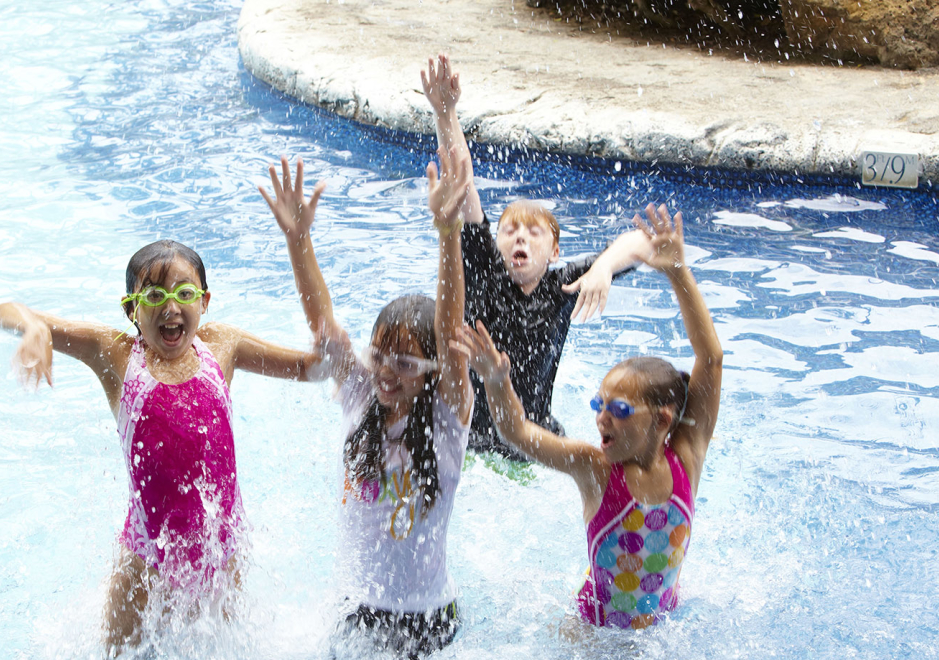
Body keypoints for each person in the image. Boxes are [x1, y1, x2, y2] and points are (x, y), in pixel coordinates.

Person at [0, 240, 324, 651]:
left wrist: (298, 239)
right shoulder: (115, 354)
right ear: (131, 309)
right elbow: (2, 311)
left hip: (222, 562)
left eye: (184, 294)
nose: (170, 308)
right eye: (153, 296)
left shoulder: (223, 345)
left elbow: (313, 368)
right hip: (145, 573)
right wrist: (35, 326)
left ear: (204, 301)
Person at [452, 204, 723, 630]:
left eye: (618, 410)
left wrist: (677, 273)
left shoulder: (687, 458)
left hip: (660, 627)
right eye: (600, 406)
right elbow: (515, 431)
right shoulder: (595, 468)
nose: (601, 420)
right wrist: (495, 379)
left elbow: (711, 357)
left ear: (663, 420)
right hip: (591, 636)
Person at [259, 151, 473, 658]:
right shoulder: (360, 395)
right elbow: (322, 322)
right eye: (379, 355)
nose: (385, 371)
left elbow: (449, 330)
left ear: (433, 372)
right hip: (355, 608)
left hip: (427, 617)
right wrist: (298, 240)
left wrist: (449, 234)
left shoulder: (447, 417)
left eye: (404, 363)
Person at [421, 54, 654, 461]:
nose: (519, 239)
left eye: (533, 232)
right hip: (472, 443)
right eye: (509, 231)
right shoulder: (485, 270)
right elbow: (464, 182)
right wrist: (446, 113)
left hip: (534, 442)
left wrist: (603, 266)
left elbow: (645, 243)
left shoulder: (565, 284)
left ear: (555, 251)